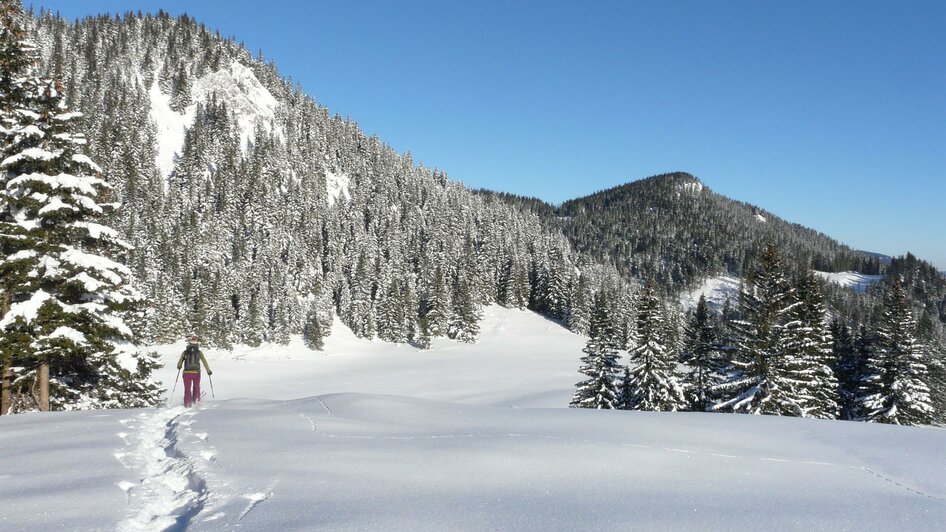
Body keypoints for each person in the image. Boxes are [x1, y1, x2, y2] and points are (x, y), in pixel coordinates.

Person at [177, 336, 212, 407]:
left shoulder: (185, 352)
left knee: (187, 389)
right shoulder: (199, 352)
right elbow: (204, 361)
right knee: (196, 386)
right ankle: (197, 400)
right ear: (197, 343)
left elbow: (179, 363)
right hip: (196, 373)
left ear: (189, 343)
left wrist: (179, 366)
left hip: (186, 373)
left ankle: (187, 403)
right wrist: (208, 370)